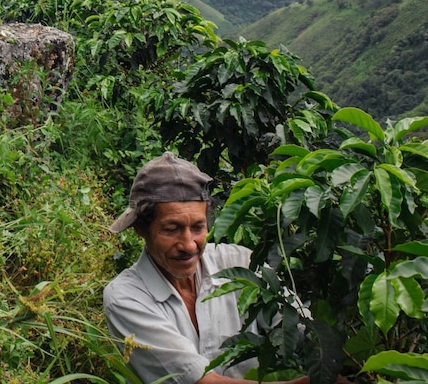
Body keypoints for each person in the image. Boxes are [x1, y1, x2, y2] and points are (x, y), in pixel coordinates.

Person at [103, 152, 344, 384]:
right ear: (141, 230)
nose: (188, 245)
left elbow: (301, 328)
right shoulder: (125, 298)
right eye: (171, 229)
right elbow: (200, 381)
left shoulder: (240, 263)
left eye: (198, 228)